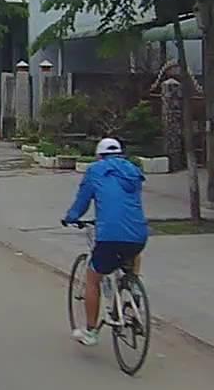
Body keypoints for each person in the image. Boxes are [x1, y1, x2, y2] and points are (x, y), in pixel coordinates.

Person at [61, 137, 149, 346]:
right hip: (138, 233)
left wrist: (71, 217)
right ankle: (132, 292)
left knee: (93, 280)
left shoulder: (96, 171)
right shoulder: (133, 171)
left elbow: (83, 201)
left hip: (109, 235)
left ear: (99, 156)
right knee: (132, 254)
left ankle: (91, 332)